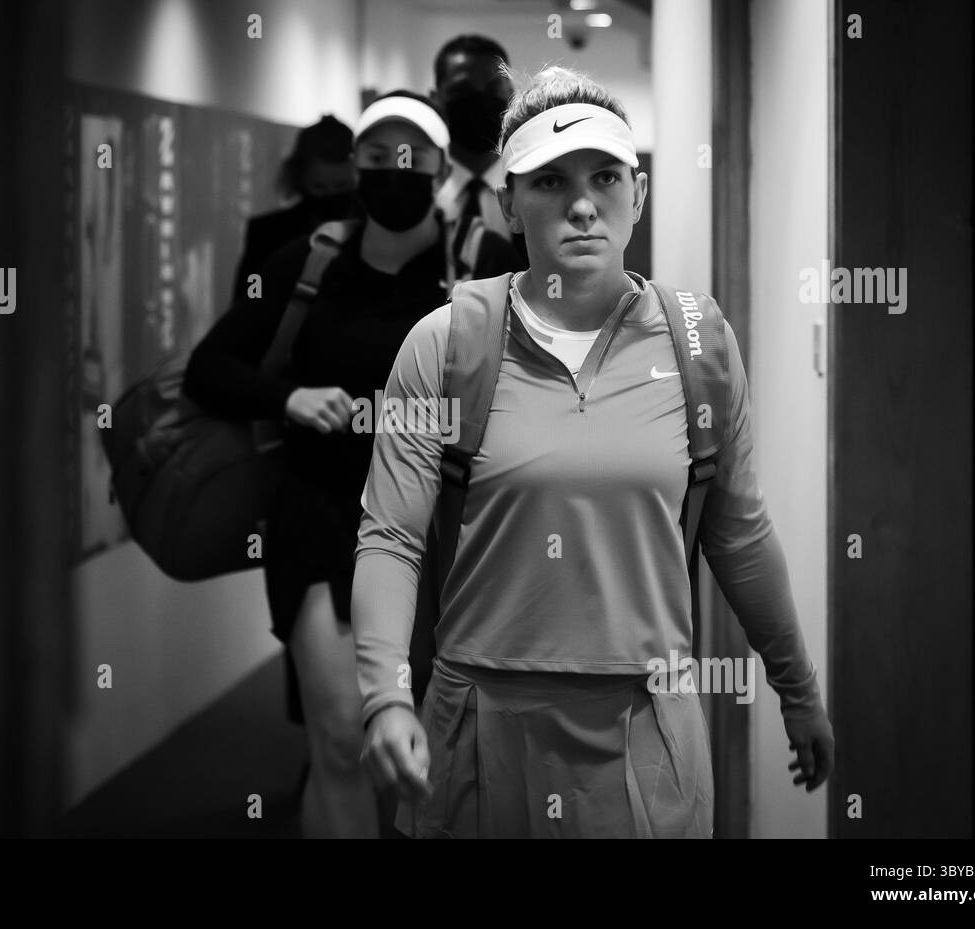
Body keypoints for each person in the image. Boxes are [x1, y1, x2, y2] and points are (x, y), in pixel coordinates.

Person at [351, 66, 835, 838]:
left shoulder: (697, 348)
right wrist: (384, 694)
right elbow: (393, 536)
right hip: (478, 724)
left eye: (605, 176)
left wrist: (799, 690)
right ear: (510, 201)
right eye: (549, 181)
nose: (582, 204)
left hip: (643, 732)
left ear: (637, 194)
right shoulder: (445, 345)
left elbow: (738, 535)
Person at [182, 91, 521, 838]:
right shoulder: (307, 258)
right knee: (342, 738)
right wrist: (289, 395)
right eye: (377, 157)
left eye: (412, 158)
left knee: (440, 750)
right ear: (356, 167)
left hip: (451, 538)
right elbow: (210, 367)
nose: (394, 170)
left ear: (438, 168)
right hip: (323, 523)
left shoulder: (487, 263)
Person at [231, 115, 355, 302]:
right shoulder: (267, 234)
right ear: (301, 178)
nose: (331, 196)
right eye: (319, 187)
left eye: (341, 187)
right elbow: (249, 302)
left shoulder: (375, 231)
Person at [430, 34, 526, 274]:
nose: (480, 100)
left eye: (494, 89)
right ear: (436, 99)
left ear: (511, 96)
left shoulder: (534, 187)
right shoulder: (418, 190)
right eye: (463, 90)